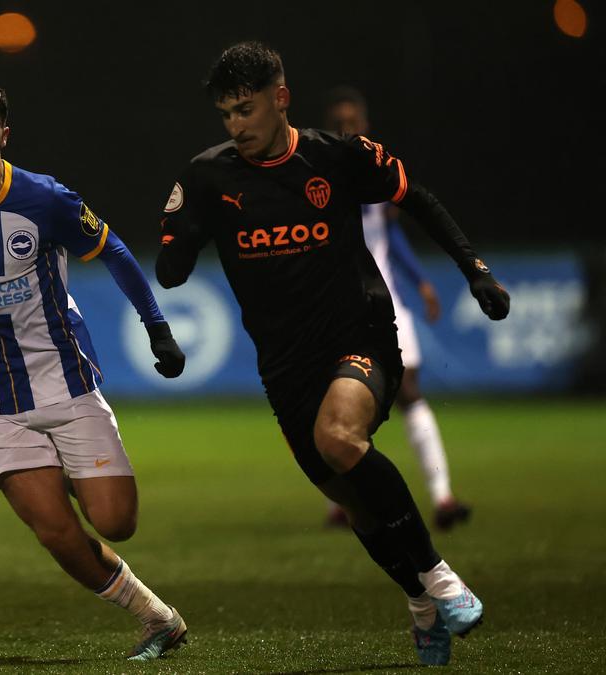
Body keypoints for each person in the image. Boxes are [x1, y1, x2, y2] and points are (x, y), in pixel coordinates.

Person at [155, 42, 509, 666]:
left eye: (247, 109)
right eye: (226, 115)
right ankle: (420, 602)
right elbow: (172, 268)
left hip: (361, 336)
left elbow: (416, 196)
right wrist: (176, 252)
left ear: (280, 98)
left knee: (339, 438)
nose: (237, 125)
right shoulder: (208, 177)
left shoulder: (336, 157)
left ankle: (441, 578)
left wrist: (473, 269)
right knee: (354, 505)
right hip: (285, 367)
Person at [0, 78, 188, 661]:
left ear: (4, 135)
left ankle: (74, 470)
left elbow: (116, 252)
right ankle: (157, 618)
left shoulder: (45, 199)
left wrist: (158, 328)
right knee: (56, 530)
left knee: (115, 521)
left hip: (67, 383)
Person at [321, 86, 472, 531]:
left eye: (354, 121)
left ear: (364, 125)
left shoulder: (379, 173)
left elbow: (391, 238)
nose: (348, 129)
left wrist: (420, 281)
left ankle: (443, 498)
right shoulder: (318, 177)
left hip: (386, 304)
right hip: (336, 310)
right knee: (340, 407)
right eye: (340, 123)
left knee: (410, 393)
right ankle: (345, 502)